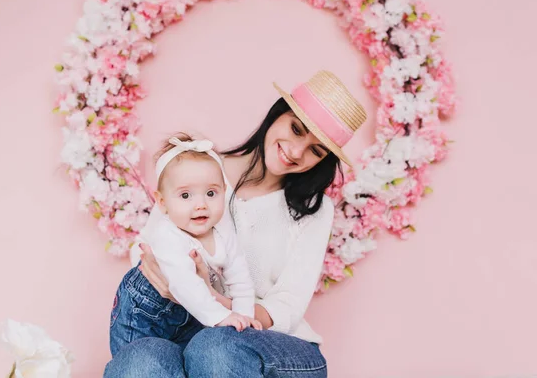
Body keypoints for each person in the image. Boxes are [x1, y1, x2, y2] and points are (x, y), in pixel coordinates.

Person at [104, 70, 367, 378]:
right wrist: (179, 281)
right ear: (278, 114)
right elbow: (147, 252)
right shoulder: (201, 170)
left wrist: (217, 302)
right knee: (141, 360)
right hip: (182, 326)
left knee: (215, 347)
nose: (296, 152)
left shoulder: (315, 210)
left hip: (270, 345)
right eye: (296, 130)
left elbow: (287, 306)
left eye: (316, 150)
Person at [109, 134, 261, 357]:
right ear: (162, 202)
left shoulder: (223, 233)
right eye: (186, 195)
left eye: (211, 193)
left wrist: (244, 316)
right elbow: (185, 285)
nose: (200, 205)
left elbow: (241, 279)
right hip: (143, 311)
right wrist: (221, 316)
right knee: (138, 362)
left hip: (192, 312)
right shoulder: (167, 235)